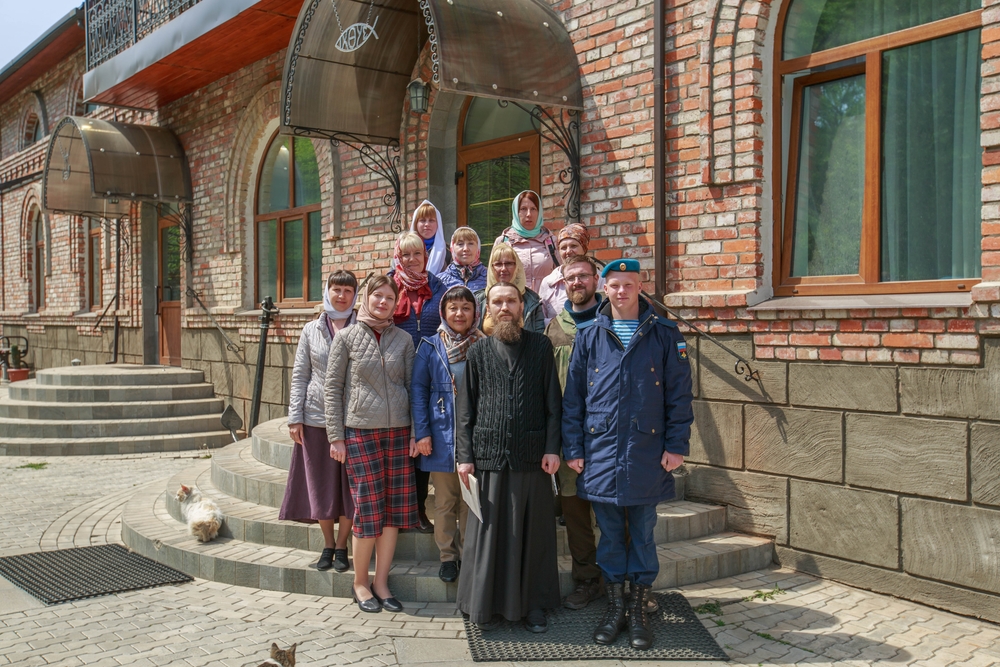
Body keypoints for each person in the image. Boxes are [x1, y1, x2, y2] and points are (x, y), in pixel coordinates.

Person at [562, 259, 694, 650]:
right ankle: (615, 607)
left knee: (643, 533)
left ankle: (637, 609)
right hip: (600, 452)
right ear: (604, 289)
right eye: (614, 285)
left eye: (629, 285)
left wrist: (676, 445)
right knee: (610, 537)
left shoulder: (665, 335)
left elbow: (680, 396)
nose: (621, 292)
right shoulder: (588, 336)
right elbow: (574, 400)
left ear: (641, 287)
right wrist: (574, 448)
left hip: (646, 451)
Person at [455, 281, 563, 633]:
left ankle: (533, 606)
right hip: (488, 458)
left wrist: (551, 447)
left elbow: (553, 405)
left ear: (522, 307)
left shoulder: (541, 346)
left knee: (533, 538)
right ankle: (484, 608)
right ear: (488, 309)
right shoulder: (478, 352)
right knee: (489, 537)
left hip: (532, 458)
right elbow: (466, 410)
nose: (505, 307)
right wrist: (465, 456)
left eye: (511, 301)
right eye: (497, 302)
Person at [325, 275, 418, 614]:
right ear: (365, 298)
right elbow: (332, 388)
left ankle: (381, 582)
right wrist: (335, 436)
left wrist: (414, 432)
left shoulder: (404, 340)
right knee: (368, 509)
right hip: (360, 431)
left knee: (393, 513)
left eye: (388, 298)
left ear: (396, 304)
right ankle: (360, 582)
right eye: (376, 296)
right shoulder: (347, 337)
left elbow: (413, 389)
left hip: (397, 433)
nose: (382, 302)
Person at [281, 270, 359, 572]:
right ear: (327, 291)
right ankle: (328, 544)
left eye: (347, 291)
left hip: (353, 418)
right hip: (315, 419)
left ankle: (343, 545)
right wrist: (294, 417)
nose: (341, 296)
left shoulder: (361, 326)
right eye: (336, 289)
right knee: (321, 486)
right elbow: (300, 374)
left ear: (355, 296)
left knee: (350, 487)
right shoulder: (311, 329)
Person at [411, 286, 485, 583]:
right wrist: (422, 432)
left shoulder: (483, 345)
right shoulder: (429, 346)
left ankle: (469, 554)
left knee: (470, 500)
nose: (459, 313)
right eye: (453, 308)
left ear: (474, 313)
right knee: (444, 502)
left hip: (474, 437)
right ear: (443, 312)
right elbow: (417, 391)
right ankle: (447, 557)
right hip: (440, 436)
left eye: (466, 308)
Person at [543, 256, 603, 609]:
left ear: (596, 279)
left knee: (616, 515)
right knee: (577, 515)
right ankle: (587, 580)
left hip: (608, 437)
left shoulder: (615, 321)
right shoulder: (555, 330)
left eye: (583, 276)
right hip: (569, 439)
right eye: (570, 277)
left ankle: (621, 581)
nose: (577, 282)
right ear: (563, 283)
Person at [389, 231, 447, 533]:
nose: (412, 260)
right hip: (393, 373)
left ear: (426, 257)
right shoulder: (388, 285)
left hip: (429, 373)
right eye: (406, 254)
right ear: (398, 256)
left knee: (422, 441)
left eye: (418, 254)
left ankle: (419, 510)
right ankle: (399, 511)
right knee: (400, 444)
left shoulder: (438, 286)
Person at [494, 190, 559, 292]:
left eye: (533, 209)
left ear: (539, 212)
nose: (529, 214)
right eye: (523, 209)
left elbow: (560, 275)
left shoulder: (550, 241)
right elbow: (493, 278)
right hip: (514, 303)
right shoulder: (503, 242)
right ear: (516, 212)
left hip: (545, 304)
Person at [475, 243, 544, 335]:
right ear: (491, 268)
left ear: (517, 267)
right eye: (498, 264)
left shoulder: (532, 300)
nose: (503, 269)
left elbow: (539, 337)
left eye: (508, 264)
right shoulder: (478, 300)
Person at [539, 223, 592, 324]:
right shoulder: (548, 282)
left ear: (584, 248)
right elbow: (542, 319)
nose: (568, 251)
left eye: (573, 246)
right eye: (563, 247)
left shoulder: (598, 278)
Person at [437, 227, 487, 292]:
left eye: (470, 243)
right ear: (452, 248)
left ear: (478, 247)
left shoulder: (488, 277)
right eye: (460, 244)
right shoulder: (440, 280)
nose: (466, 249)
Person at [410, 200, 448, 275]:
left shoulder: (448, 252)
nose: (427, 224)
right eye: (422, 220)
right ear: (415, 224)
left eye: (431, 220)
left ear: (438, 224)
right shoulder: (404, 249)